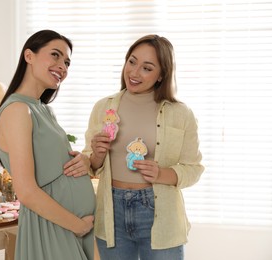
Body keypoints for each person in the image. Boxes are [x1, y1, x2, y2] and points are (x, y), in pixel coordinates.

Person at [83, 34, 204, 260]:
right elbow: (91, 163)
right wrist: (97, 155)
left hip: (160, 212)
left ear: (161, 75)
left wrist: (162, 173)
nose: (134, 72)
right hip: (112, 211)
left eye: (147, 68)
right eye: (132, 61)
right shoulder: (103, 108)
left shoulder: (181, 114)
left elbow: (194, 168)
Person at [0, 29, 96, 260]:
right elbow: (27, 191)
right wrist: (77, 225)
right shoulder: (17, 110)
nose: (63, 66)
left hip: (73, 227)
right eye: (55, 55)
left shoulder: (43, 109)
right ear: (29, 56)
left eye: (67, 62)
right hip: (53, 227)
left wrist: (83, 161)